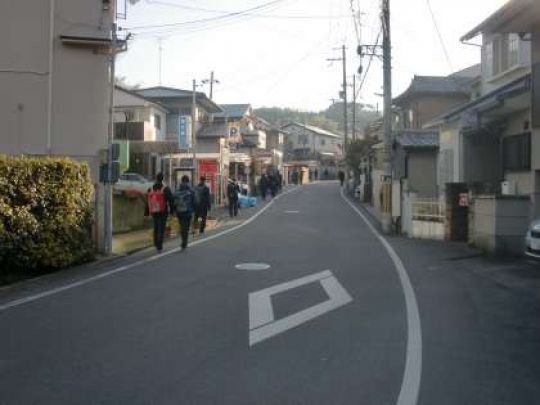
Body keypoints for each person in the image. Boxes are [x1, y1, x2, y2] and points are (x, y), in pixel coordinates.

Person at [147, 172, 173, 252]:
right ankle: (159, 245)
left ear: (156, 178)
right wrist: (172, 210)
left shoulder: (151, 188)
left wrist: (147, 211)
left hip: (154, 210)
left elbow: (148, 199)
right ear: (162, 179)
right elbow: (171, 200)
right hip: (163, 211)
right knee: (161, 228)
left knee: (156, 226)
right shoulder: (165, 188)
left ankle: (155, 242)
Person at [173, 175, 195, 251]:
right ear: (188, 181)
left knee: (182, 225)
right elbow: (196, 200)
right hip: (188, 211)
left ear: (182, 181)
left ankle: (183, 240)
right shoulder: (191, 190)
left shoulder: (177, 190)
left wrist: (174, 210)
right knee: (186, 227)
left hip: (179, 211)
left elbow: (174, 200)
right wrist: (194, 209)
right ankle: (184, 241)